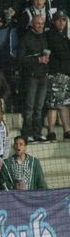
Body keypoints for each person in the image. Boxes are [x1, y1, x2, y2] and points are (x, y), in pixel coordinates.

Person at [17, 15, 49, 143]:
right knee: (29, 107)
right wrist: (37, 59)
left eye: (42, 23)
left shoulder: (44, 37)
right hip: (31, 77)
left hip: (43, 76)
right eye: (37, 23)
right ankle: (27, 133)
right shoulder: (25, 38)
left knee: (39, 107)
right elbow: (20, 59)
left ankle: (38, 133)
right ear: (32, 24)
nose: (40, 26)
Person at [45, 11, 70, 141]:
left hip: (65, 76)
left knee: (64, 104)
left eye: (64, 20)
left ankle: (67, 130)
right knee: (53, 104)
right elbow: (62, 54)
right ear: (54, 21)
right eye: (59, 20)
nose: (61, 22)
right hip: (56, 75)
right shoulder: (51, 35)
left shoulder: (63, 36)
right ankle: (51, 131)